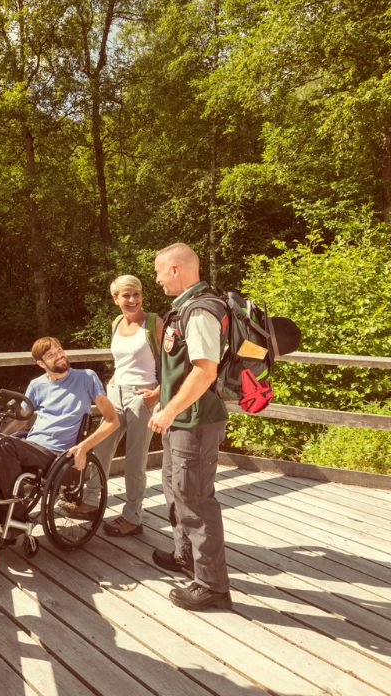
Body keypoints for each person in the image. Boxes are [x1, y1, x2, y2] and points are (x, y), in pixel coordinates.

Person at [147, 242, 232, 610]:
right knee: (175, 489)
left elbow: (204, 370)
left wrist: (169, 411)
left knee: (195, 499)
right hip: (181, 420)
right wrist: (162, 393)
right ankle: (186, 556)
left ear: (177, 270)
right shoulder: (185, 309)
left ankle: (212, 586)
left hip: (194, 423)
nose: (157, 278)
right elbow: (185, 367)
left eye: (159, 271)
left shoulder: (199, 312)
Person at [0, 337, 120, 538]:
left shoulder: (86, 377)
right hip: (32, 445)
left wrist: (83, 447)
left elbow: (112, 420)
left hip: (57, 453)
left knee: (2, 445)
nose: (60, 356)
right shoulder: (36, 385)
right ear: (40, 363)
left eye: (60, 350)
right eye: (51, 355)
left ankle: (15, 516)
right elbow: (21, 421)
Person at [89, 274, 163, 537]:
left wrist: (158, 392)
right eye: (126, 295)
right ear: (115, 299)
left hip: (142, 397)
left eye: (136, 294)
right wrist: (112, 382)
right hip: (115, 393)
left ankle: (132, 517)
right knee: (100, 449)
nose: (132, 300)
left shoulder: (154, 323)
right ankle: (90, 502)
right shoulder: (117, 322)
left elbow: (174, 362)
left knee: (134, 459)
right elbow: (121, 361)